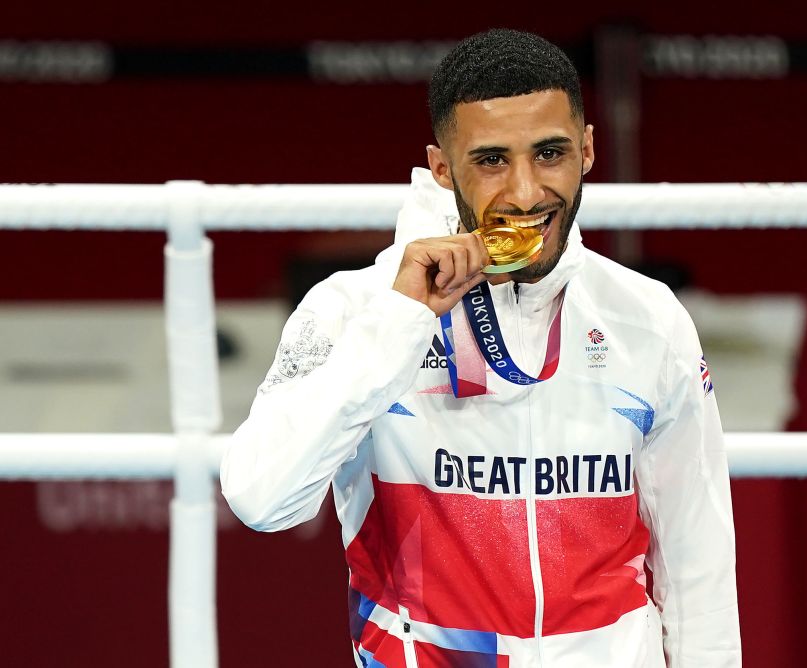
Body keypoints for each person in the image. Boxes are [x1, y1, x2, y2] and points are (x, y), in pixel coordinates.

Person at [221, 28, 741, 667]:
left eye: (549, 153)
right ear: (442, 169)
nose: (525, 192)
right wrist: (400, 322)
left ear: (587, 150)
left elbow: (698, 560)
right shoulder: (353, 309)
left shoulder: (647, 317)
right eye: (492, 160)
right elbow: (261, 498)